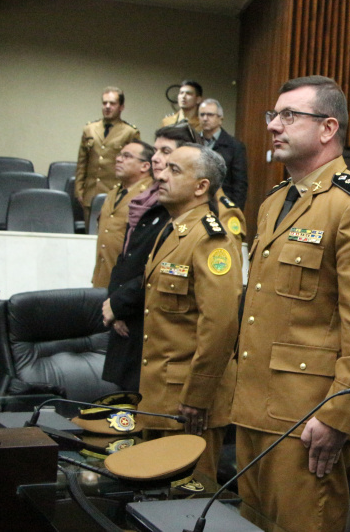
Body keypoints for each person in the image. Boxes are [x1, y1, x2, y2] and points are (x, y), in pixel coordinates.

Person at [231, 75, 350, 532]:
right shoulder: (273, 204)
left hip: (308, 421)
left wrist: (338, 416)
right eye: (273, 115)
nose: (273, 126)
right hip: (254, 410)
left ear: (327, 128)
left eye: (289, 115)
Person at [139, 143, 241, 482]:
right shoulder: (171, 231)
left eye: (174, 170)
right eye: (163, 167)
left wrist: (198, 397)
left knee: (186, 503)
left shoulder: (212, 240)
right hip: (159, 397)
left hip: (190, 404)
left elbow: (220, 325)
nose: (161, 175)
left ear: (201, 187)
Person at [101, 124, 189, 391]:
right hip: (125, 318)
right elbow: (126, 257)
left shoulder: (178, 207)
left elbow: (165, 269)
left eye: (166, 151)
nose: (156, 157)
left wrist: (119, 302)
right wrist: (113, 304)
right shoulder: (145, 201)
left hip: (150, 323)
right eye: (156, 150)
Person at [91, 140, 154, 288]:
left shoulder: (149, 197)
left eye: (127, 156)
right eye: (119, 155)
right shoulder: (114, 192)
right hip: (103, 277)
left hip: (128, 284)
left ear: (145, 166)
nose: (118, 159)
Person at [76, 86, 140, 225]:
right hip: (90, 194)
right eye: (105, 103)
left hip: (115, 194)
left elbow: (134, 167)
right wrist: (79, 190)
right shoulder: (90, 129)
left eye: (112, 103)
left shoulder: (130, 132)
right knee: (90, 237)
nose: (107, 107)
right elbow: (82, 163)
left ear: (121, 107)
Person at [199, 98, 249, 210]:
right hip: (194, 202)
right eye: (202, 115)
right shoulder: (192, 142)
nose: (205, 118)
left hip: (222, 205)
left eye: (210, 115)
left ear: (220, 119)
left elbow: (240, 184)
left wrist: (236, 211)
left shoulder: (234, 146)